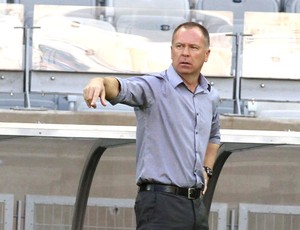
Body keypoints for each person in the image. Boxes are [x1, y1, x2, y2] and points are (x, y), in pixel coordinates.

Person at [83, 21, 221, 230]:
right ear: (171, 51)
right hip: (160, 204)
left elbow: (214, 136)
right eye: (179, 46)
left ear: (207, 54)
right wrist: (100, 81)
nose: (185, 53)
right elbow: (122, 88)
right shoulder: (154, 87)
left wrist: (207, 170)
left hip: (196, 205)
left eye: (193, 48)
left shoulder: (210, 95)